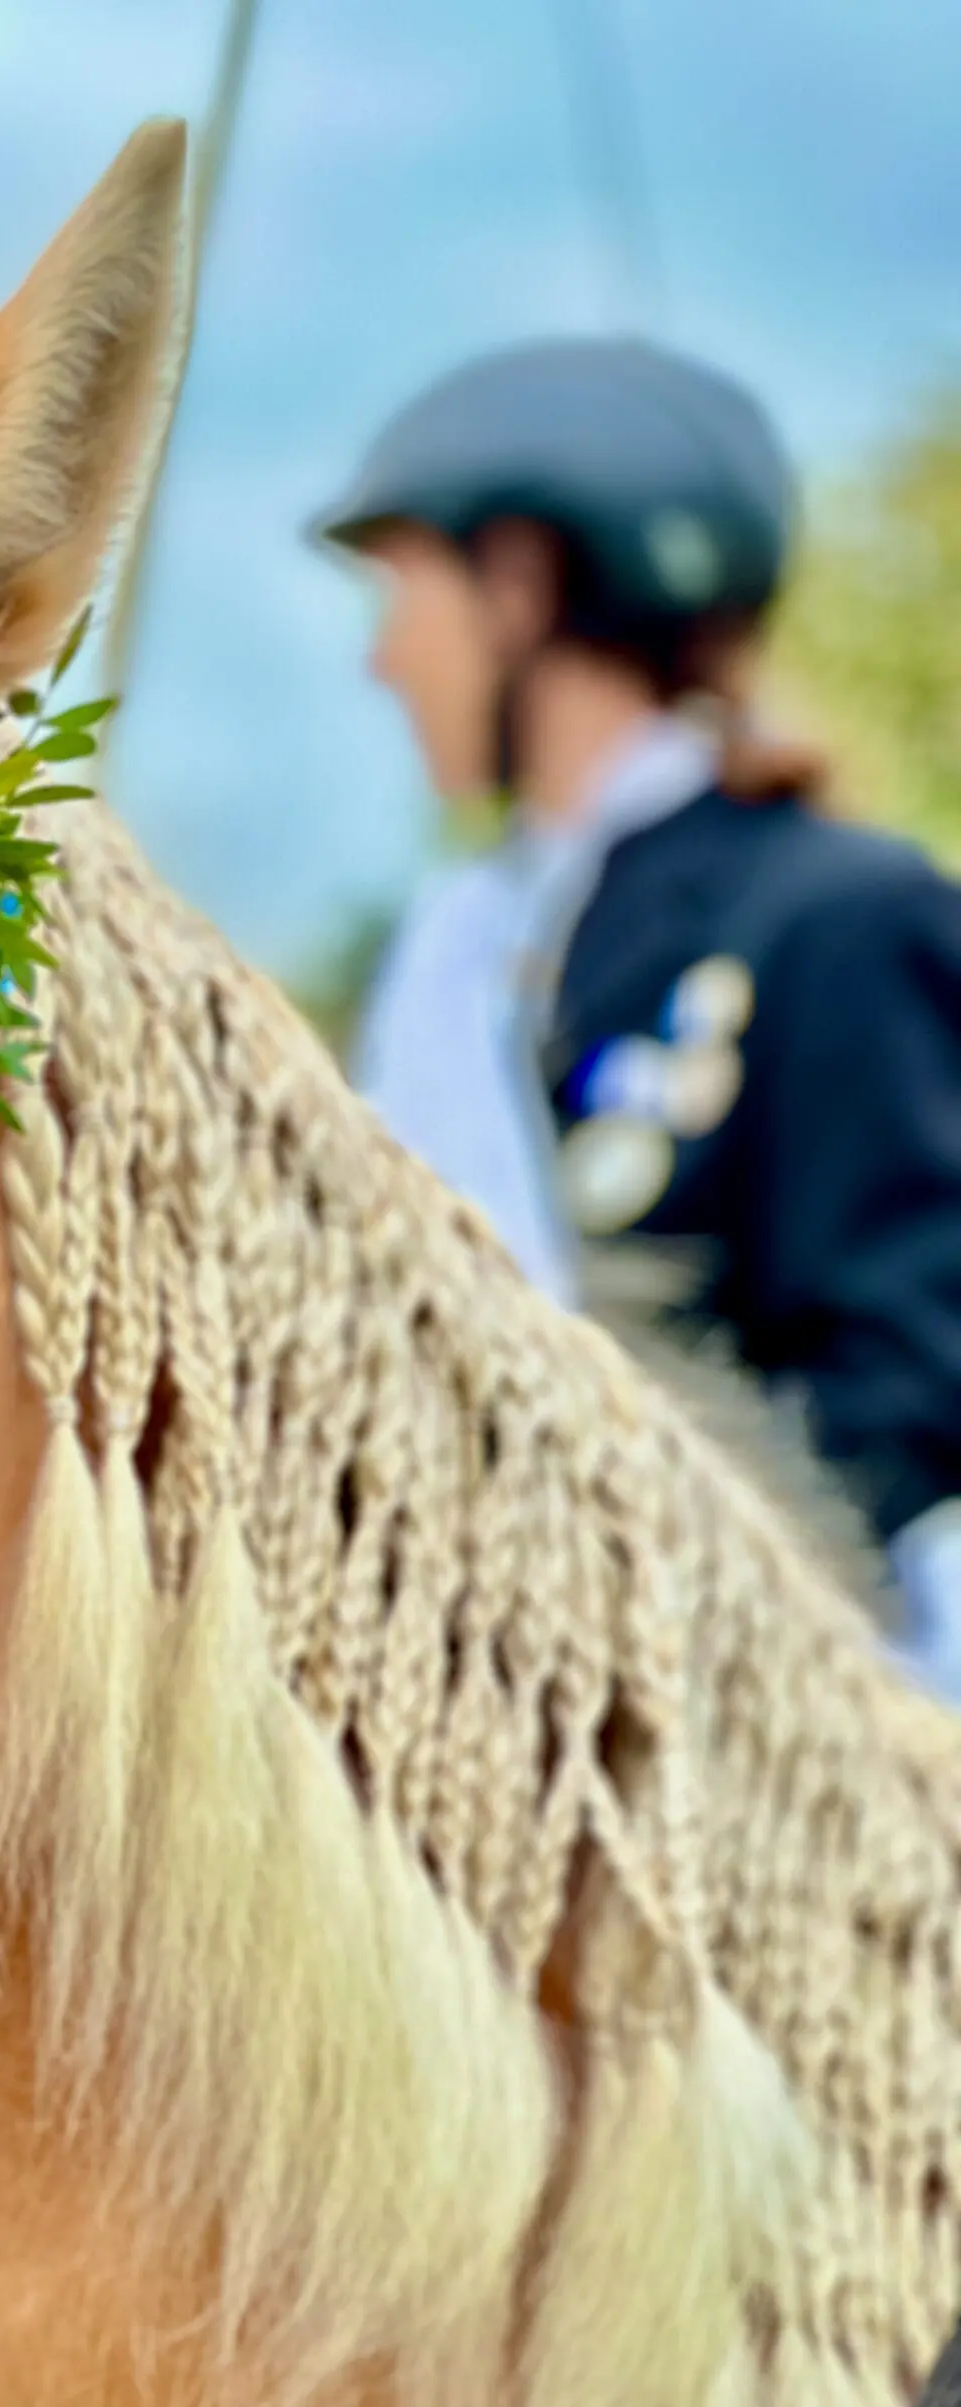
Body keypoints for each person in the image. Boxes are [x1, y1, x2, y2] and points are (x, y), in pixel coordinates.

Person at [309, 338, 961, 1696]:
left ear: (520, 587)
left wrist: (604, 1611)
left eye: (402, 597)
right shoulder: (458, 949)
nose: (381, 663)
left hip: (761, 1721)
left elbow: (903, 1389)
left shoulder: (836, 912)